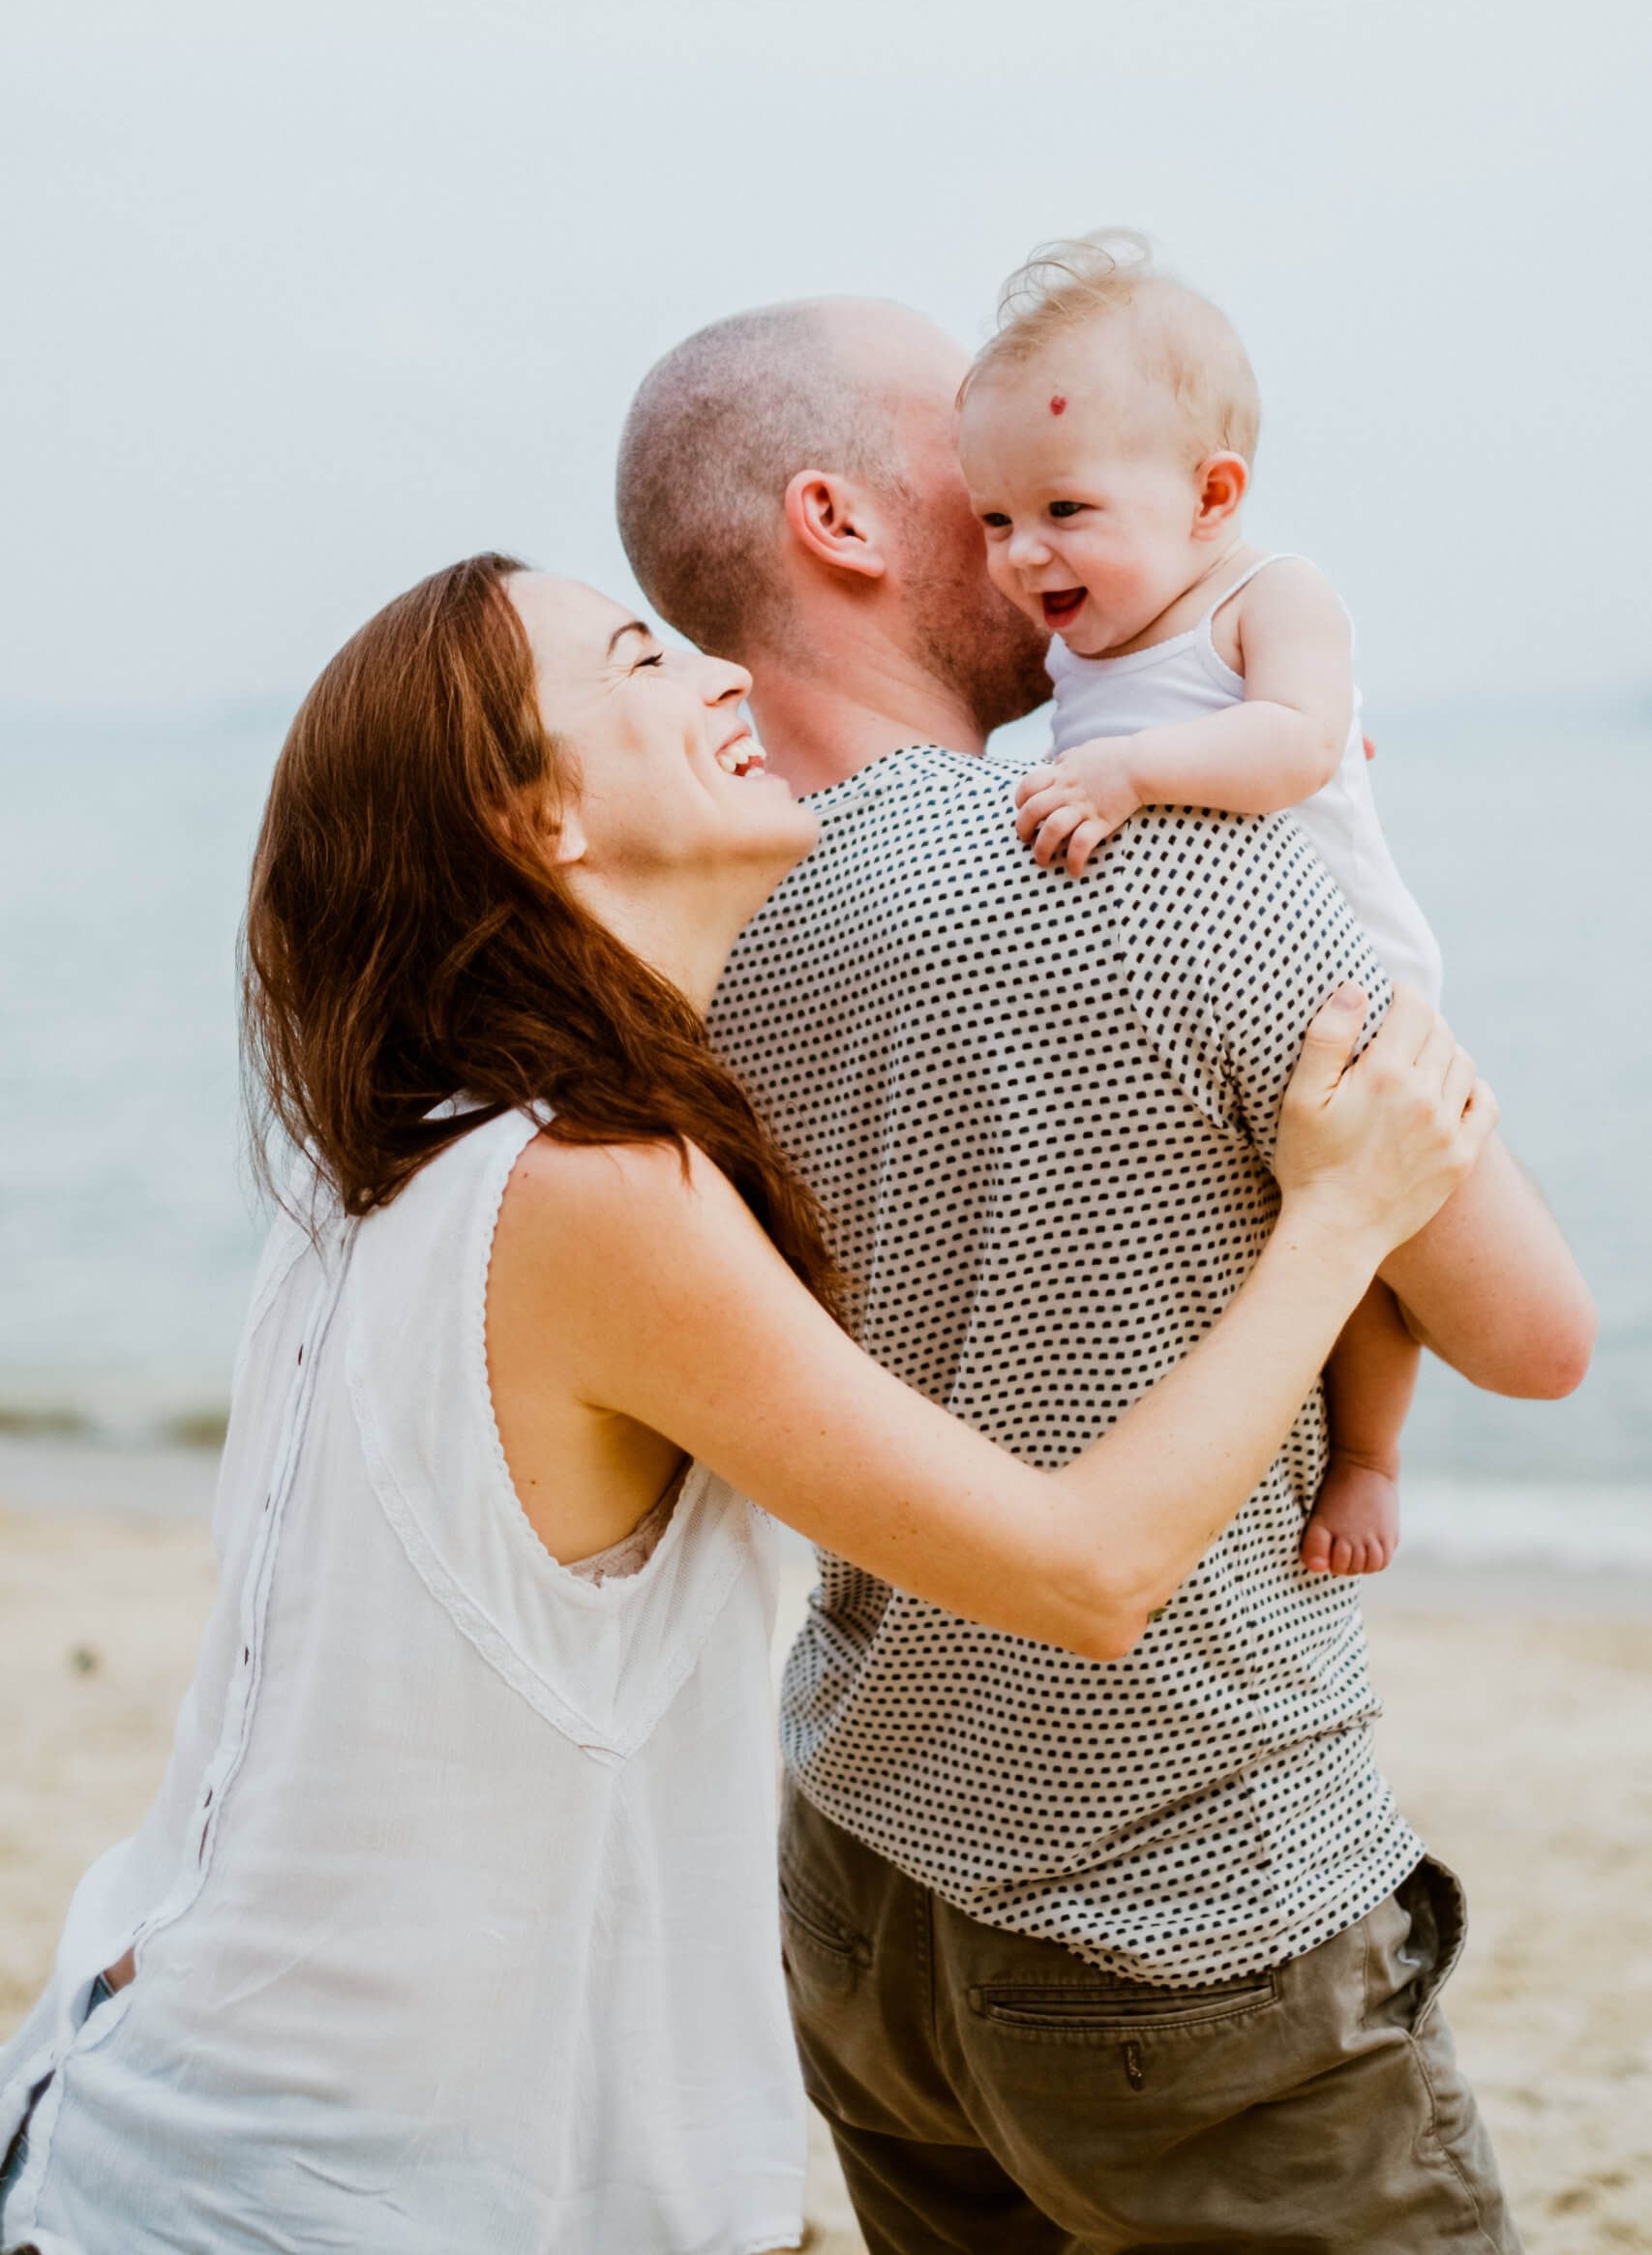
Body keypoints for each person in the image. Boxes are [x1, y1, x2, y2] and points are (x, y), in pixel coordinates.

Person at [0, 557, 1485, 2255]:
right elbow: (1088, 1572)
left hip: (147, 2095)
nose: (718, 669)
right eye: (635, 658)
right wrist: (1342, 1218)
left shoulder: (400, 1155)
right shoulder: (596, 1190)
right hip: (310, 2190)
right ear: (536, 822)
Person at [616, 298, 1597, 2255]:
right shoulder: (1177, 876)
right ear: (839, 521)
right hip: (1189, 1907)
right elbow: (1536, 1334)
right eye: (967, 477)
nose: (1019, 517)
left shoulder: (671, 951)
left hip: (862, 1884)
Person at [957, 227, 1443, 1578]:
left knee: (1363, 1251)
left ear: (1212, 494)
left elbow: (1293, 742)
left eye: (1063, 511)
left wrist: (1128, 772)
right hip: (1215, 1025)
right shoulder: (1083, 654)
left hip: (1357, 999)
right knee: (1257, 1251)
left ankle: (1370, 1456)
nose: (1020, 555)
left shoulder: (1266, 597)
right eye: (994, 520)